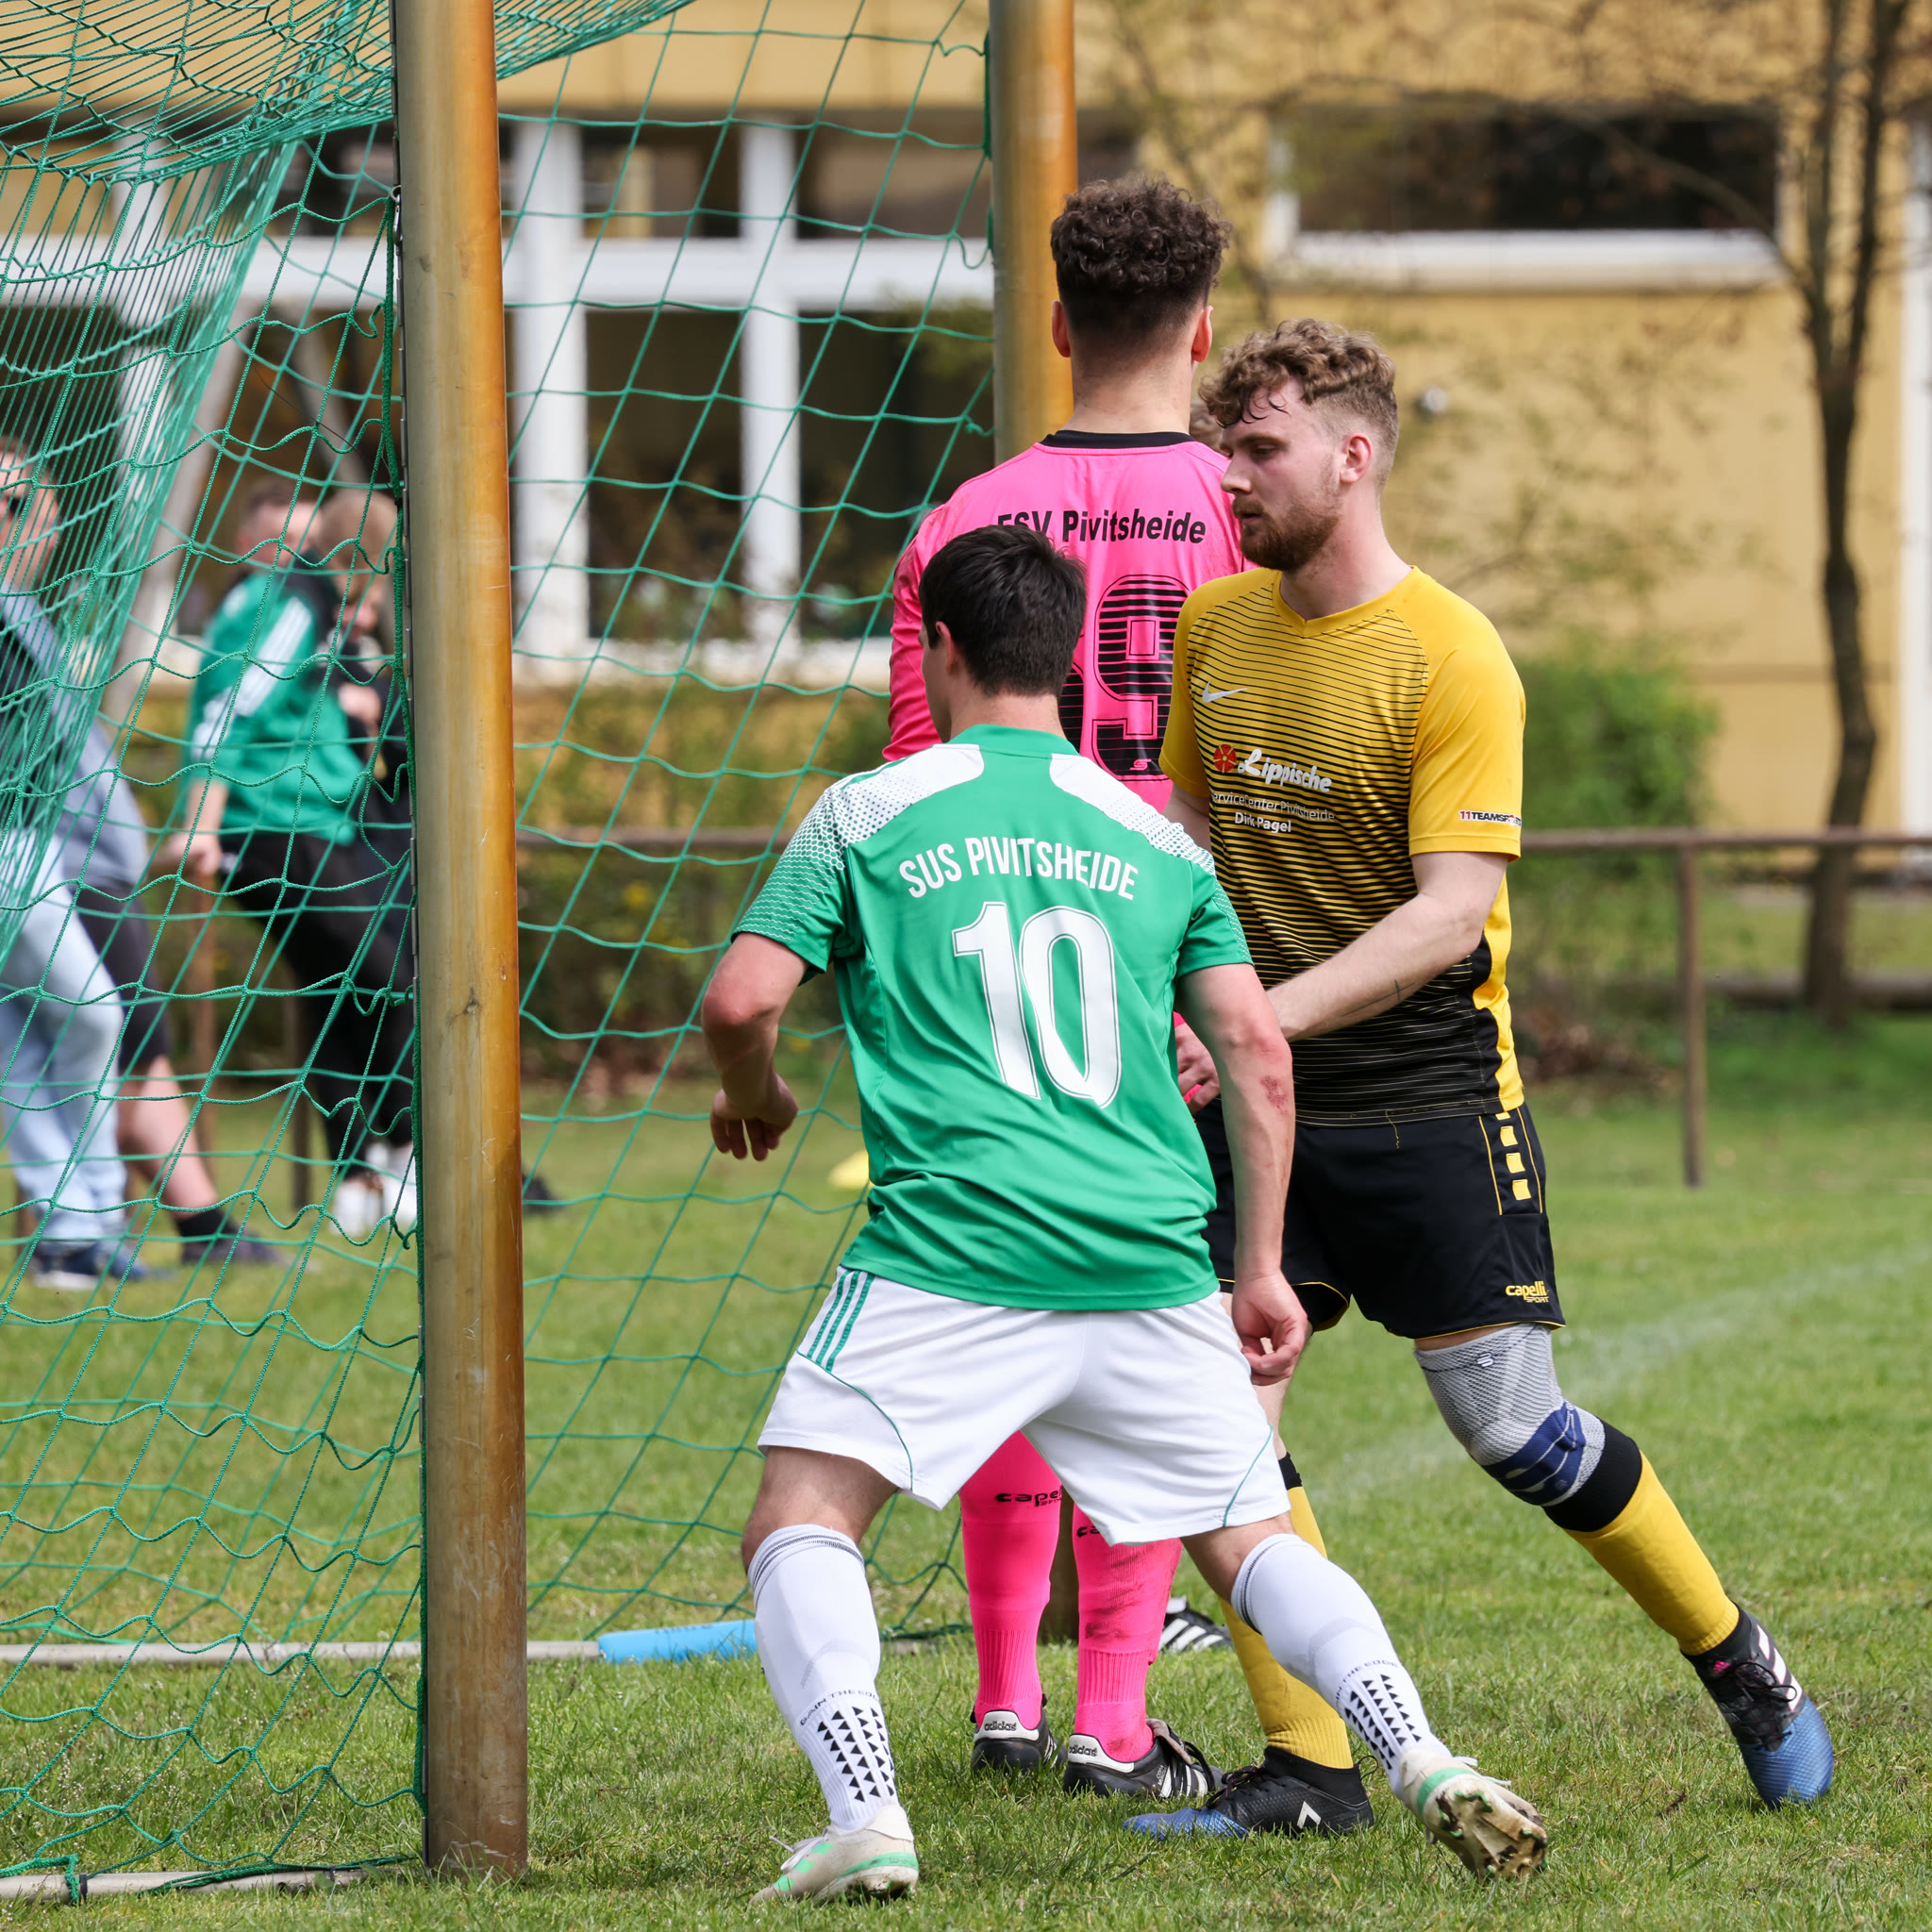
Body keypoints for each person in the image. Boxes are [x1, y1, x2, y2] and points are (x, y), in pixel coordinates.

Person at [706, 525, 1548, 1900]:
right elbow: (1256, 1053)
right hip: (1150, 1258)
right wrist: (1258, 1263)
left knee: (801, 1513)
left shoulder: (865, 810)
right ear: (1075, 667)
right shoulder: (1155, 838)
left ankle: (866, 1812)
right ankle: (1422, 1754)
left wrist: (758, 1091)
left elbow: (740, 998)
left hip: (954, 1248)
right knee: (1247, 1540)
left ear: (939, 650)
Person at [1141, 318, 1833, 1824]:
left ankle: (1738, 1660)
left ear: (1353, 455)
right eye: (1223, 449)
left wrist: (1256, 1018)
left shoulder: (1453, 655)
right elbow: (1188, 827)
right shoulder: (1215, 626)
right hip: (1259, 1099)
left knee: (1515, 1432)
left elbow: (1449, 915)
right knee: (1213, 1424)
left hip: (1428, 1101)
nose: (1230, 479)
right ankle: (1311, 1767)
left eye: (1257, 449)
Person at [881, 177, 1364, 1813]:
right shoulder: (1254, 512)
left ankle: (1002, 1695)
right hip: (1175, 972)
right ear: (1205, 329)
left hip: (994, 976)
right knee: (1151, 1331)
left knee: (1008, 1309)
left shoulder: (964, 520)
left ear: (1055, 321)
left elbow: (919, 774)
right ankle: (1111, 1714)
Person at [158, 493, 416, 1241]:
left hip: (322, 822)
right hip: (274, 827)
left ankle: (363, 1179)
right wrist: (201, 821)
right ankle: (398, 1152)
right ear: (366, 560)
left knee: (341, 992)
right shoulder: (293, 603)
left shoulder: (323, 613)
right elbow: (230, 707)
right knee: (388, 978)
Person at [0, 445, 140, 1288]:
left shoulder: (26, 611)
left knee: (25, 1033)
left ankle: (70, 1236)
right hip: (10, 847)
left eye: (37, 515)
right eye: (20, 512)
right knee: (91, 1015)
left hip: (34, 844)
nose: (38, 534)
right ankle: (83, 1219)